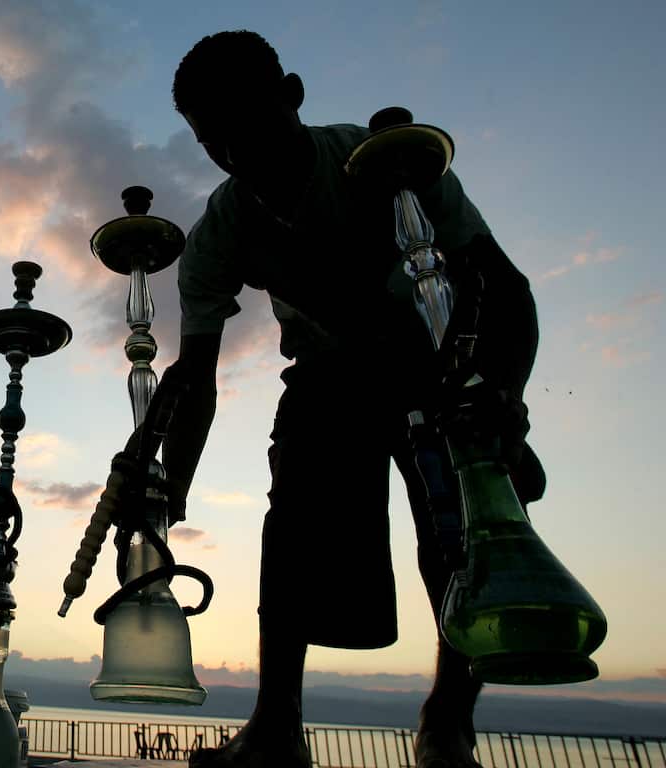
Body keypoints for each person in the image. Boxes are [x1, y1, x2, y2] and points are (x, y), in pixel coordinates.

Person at [143, 30, 544, 768]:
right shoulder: (220, 233)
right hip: (327, 376)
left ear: (292, 96)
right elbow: (195, 376)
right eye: (212, 137)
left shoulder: (391, 162)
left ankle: (448, 723)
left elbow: (505, 287)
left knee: (457, 533)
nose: (235, 150)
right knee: (289, 520)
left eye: (249, 121)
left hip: (434, 361)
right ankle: (276, 728)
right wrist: (173, 491)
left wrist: (503, 396)